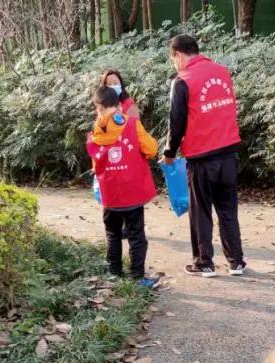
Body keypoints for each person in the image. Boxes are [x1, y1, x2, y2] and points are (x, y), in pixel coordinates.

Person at [163, 34, 247, 278]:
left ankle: (204, 263)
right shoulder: (222, 72)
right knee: (228, 209)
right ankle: (236, 262)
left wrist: (169, 153)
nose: (174, 64)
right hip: (229, 152)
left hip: (201, 157)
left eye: (173, 59)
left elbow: (176, 123)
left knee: (200, 211)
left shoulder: (182, 81)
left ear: (178, 54)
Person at [86, 86, 160, 288]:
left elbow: (95, 160)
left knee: (113, 233)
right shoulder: (133, 124)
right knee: (136, 235)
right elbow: (152, 149)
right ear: (118, 105)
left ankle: (114, 273)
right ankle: (137, 277)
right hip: (133, 192)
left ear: (98, 107)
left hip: (110, 193)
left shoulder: (96, 131)